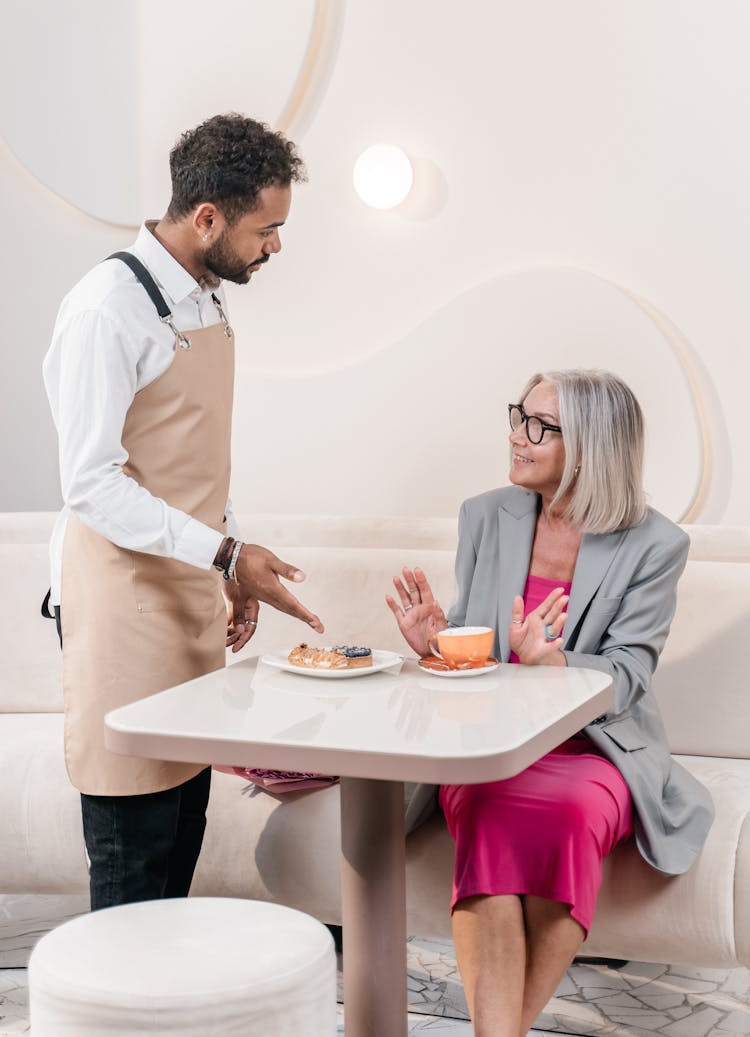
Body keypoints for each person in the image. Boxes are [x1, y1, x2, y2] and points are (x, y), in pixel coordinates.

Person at [43, 112, 324, 912]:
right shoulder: (107, 309)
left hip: (187, 599)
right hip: (123, 607)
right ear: (208, 218)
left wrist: (223, 558)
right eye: (266, 230)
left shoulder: (202, 298)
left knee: (179, 844)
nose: (274, 247)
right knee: (134, 863)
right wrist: (227, 555)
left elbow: (189, 455)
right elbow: (92, 483)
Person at [387, 369, 714, 1037]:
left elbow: (629, 675)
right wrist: (436, 643)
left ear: (592, 447)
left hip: (593, 746)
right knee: (483, 802)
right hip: (491, 741)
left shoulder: (655, 544)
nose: (517, 436)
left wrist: (555, 663)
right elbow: (471, 649)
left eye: (540, 426)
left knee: (572, 812)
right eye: (518, 415)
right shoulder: (485, 514)